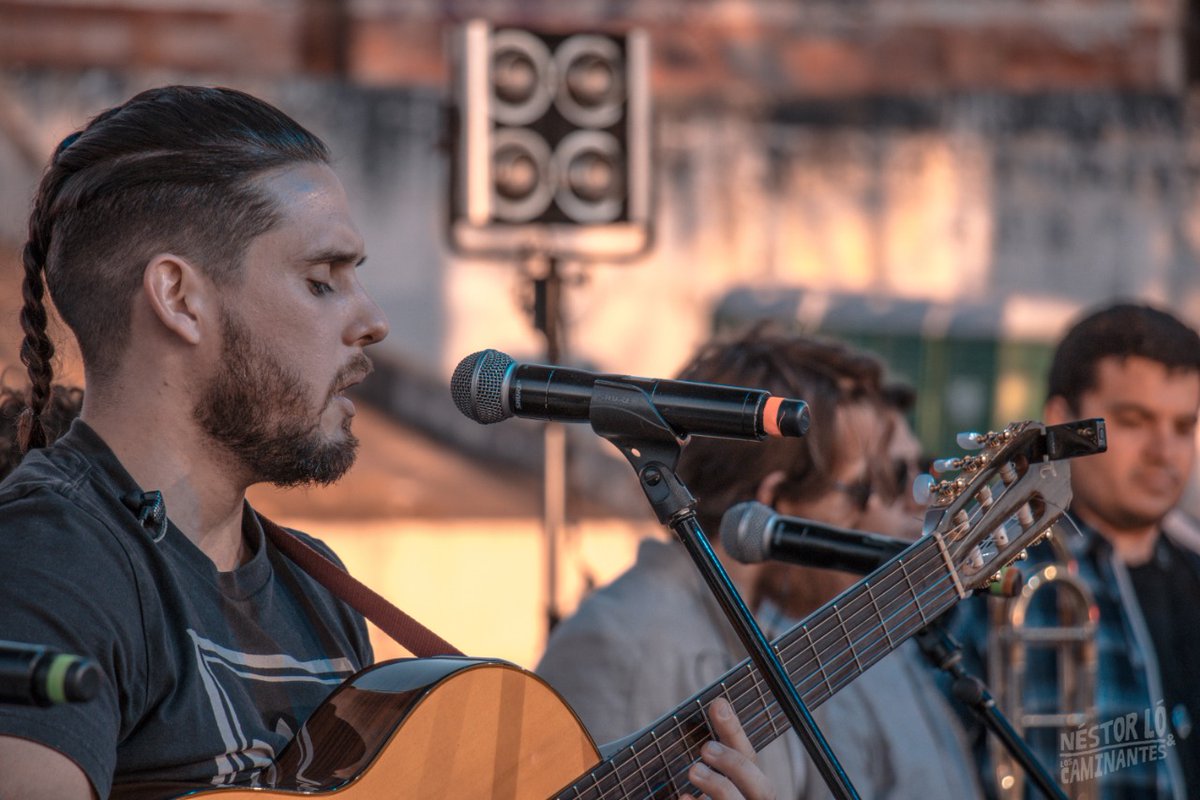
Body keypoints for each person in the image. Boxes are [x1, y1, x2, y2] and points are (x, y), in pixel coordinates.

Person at [0, 85, 773, 800]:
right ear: (180, 299)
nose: (371, 320)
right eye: (322, 280)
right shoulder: (50, 560)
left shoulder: (316, 591)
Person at [536, 328, 982, 799]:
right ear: (773, 500)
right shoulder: (622, 642)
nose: (880, 513)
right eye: (863, 488)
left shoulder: (766, 639)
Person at [950, 301, 1200, 799]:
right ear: (1061, 420)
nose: (1163, 451)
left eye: (1183, 426)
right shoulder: (990, 574)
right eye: (1133, 421)